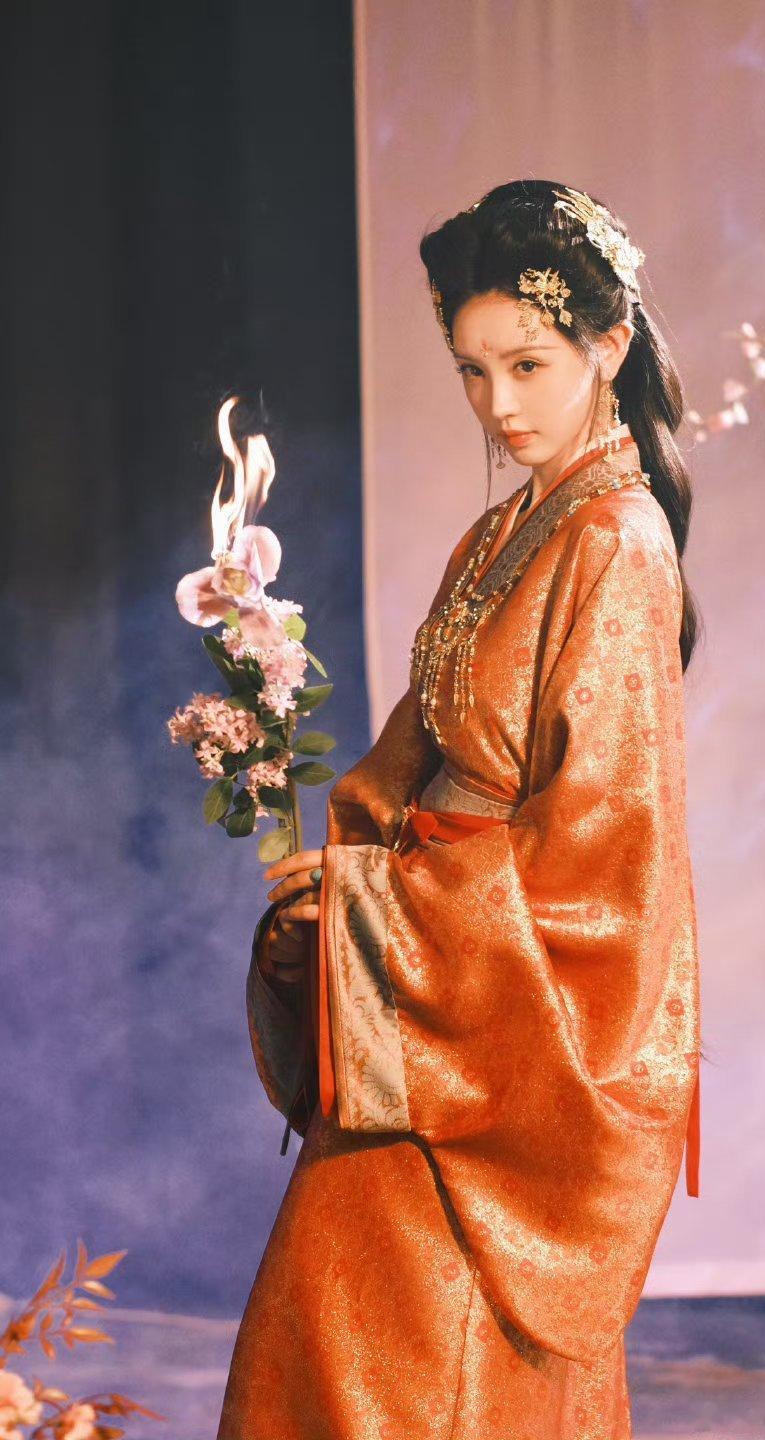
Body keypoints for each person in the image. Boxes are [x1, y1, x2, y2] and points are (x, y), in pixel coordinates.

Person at [216, 178, 703, 1440]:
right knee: (322, 1348)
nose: (499, 405)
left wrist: (382, 909)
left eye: (527, 365)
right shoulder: (498, 536)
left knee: (390, 1367)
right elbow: (400, 771)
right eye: (473, 372)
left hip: (491, 1029)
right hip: (426, 996)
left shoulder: (617, 542)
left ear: (609, 345)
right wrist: (332, 893)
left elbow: (603, 854)